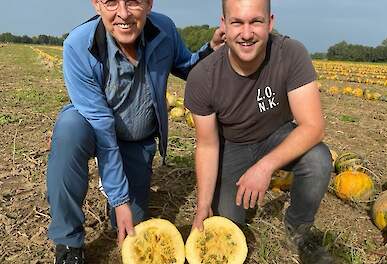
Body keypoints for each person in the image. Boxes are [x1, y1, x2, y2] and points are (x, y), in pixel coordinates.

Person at [46, 0, 223, 262]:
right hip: (94, 129)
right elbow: (101, 127)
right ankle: (68, 241)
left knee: (131, 224)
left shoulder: (164, 30)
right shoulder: (78, 45)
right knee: (69, 131)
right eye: (111, 2)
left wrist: (211, 51)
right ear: (96, 5)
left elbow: (187, 68)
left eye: (134, 2)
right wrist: (119, 199)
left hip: (135, 139)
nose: (124, 14)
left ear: (149, 4)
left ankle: (114, 185)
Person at [184, 0, 333, 262]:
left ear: (270, 22)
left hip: (277, 135)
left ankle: (298, 229)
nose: (246, 33)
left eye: (255, 21)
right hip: (231, 145)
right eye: (237, 22)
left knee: (319, 159)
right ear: (224, 25)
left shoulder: (291, 53)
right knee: (227, 223)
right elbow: (207, 145)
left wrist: (264, 167)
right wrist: (202, 205)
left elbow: (313, 126)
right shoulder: (203, 77)